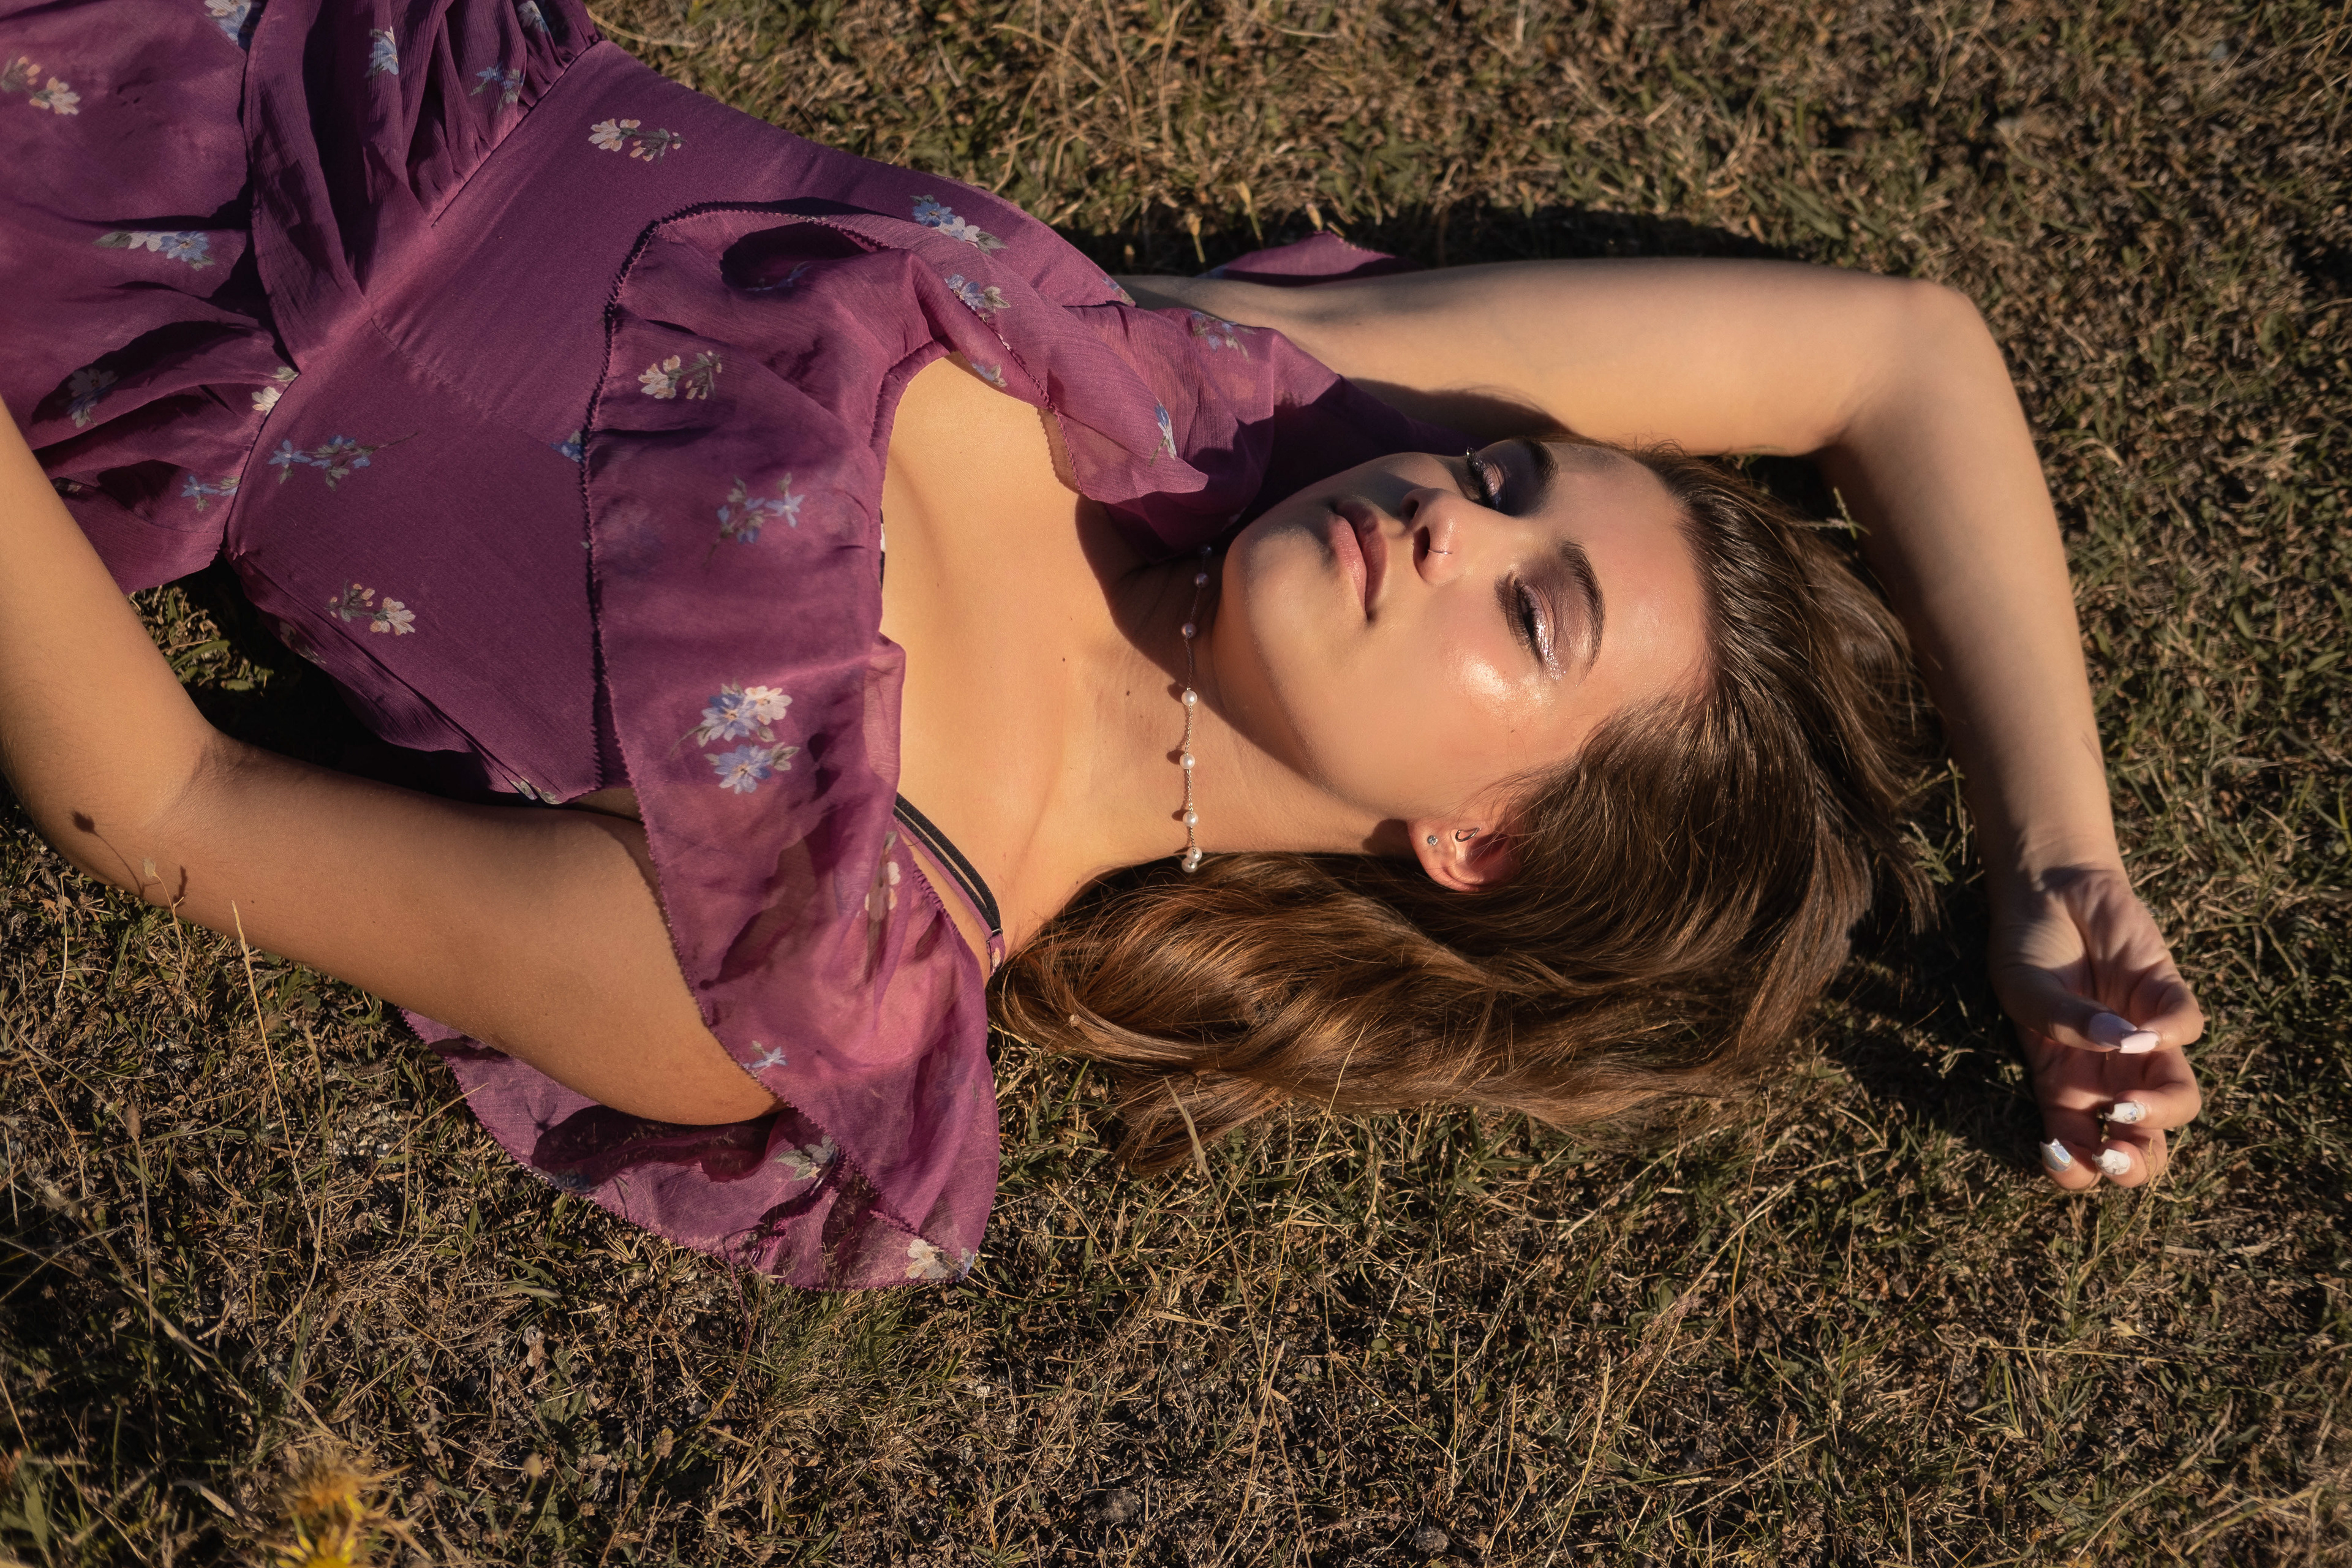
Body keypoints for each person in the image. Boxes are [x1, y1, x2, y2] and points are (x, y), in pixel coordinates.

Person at [0, 0, 2201, 1289]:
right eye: (1509, 473)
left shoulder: (811, 953)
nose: (1454, 514)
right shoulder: (1212, 401)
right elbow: (1895, 358)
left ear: (1481, 843)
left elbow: (160, 797)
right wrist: (2061, 857)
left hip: (93, 233)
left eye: (1532, 608)